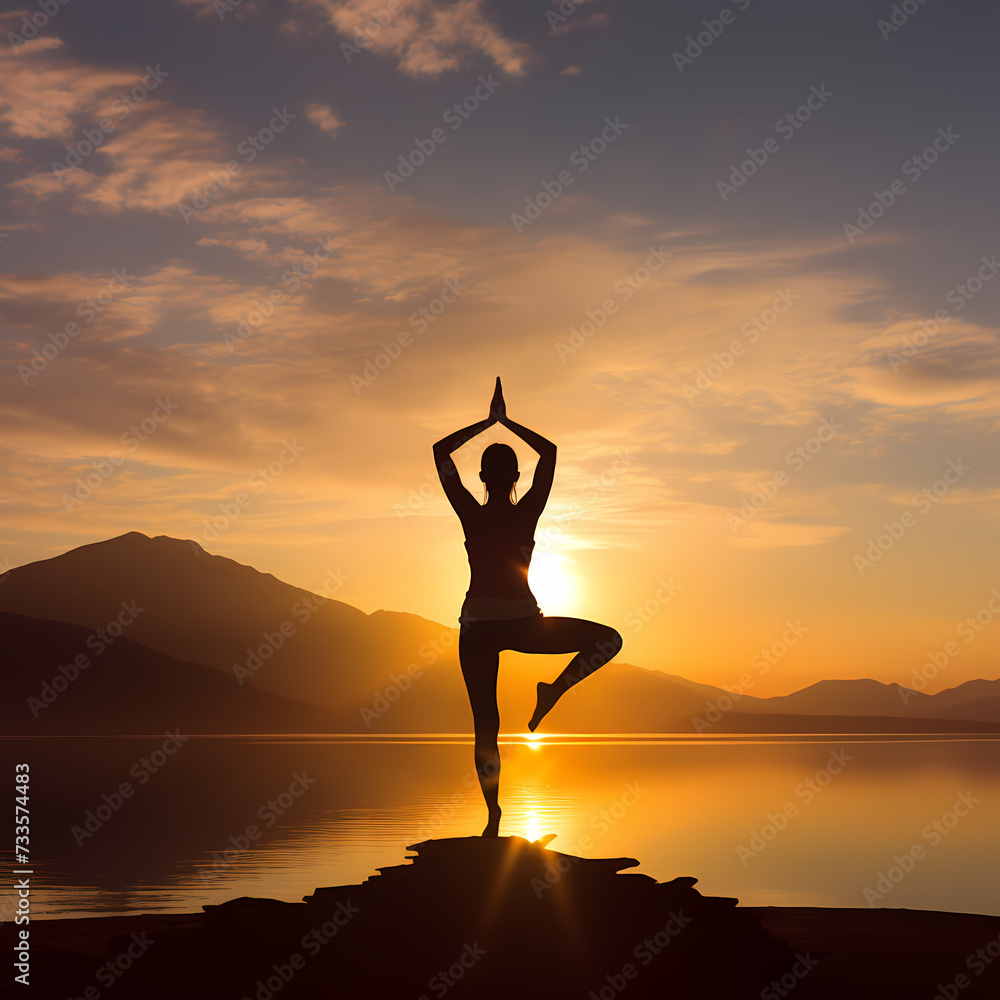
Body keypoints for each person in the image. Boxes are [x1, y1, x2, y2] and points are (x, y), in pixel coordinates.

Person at [433, 378, 623, 836]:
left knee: (485, 728)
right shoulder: (527, 510)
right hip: (522, 624)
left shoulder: (471, 512)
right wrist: (508, 422)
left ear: (482, 477)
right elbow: (551, 454)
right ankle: (554, 690)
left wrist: (486, 422)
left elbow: (441, 452)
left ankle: (494, 816)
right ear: (516, 478)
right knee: (609, 639)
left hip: (477, 627)